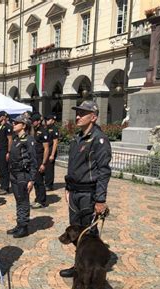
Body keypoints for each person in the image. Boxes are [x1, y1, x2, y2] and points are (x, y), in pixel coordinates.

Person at [60, 100, 112, 278]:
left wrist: (100, 199)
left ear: (94, 117)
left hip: (88, 194)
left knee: (88, 235)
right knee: (76, 234)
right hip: (75, 192)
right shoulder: (78, 137)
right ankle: (79, 267)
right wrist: (68, 187)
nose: (78, 116)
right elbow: (73, 167)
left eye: (83, 113)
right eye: (78, 112)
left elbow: (103, 171)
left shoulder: (99, 139)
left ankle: (91, 272)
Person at [7, 115, 38, 238]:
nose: (13, 124)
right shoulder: (16, 139)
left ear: (24, 125)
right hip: (14, 174)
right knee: (18, 200)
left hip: (23, 175)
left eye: (16, 123)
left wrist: (32, 179)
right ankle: (19, 224)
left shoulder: (29, 140)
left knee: (23, 201)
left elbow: (34, 161)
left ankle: (24, 227)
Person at [30, 113, 49, 208]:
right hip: (35, 158)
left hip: (40, 158)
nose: (32, 122)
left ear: (38, 121)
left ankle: (42, 201)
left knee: (40, 181)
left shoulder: (43, 131)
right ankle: (38, 198)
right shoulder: (35, 130)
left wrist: (43, 163)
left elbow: (46, 148)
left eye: (33, 121)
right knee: (36, 180)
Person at [0, 111, 13, 195]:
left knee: (5, 169)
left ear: (3, 117)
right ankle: (2, 186)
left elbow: (10, 139)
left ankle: (5, 187)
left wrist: (9, 151)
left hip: (4, 150)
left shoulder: (8, 127)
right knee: (0, 169)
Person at [44, 114, 59, 191]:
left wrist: (52, 154)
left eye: (48, 119)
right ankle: (46, 182)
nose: (47, 121)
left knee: (49, 168)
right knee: (46, 167)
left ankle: (49, 185)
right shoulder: (46, 128)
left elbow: (55, 142)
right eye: (46, 119)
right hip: (46, 151)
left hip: (51, 151)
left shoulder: (54, 129)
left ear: (53, 120)